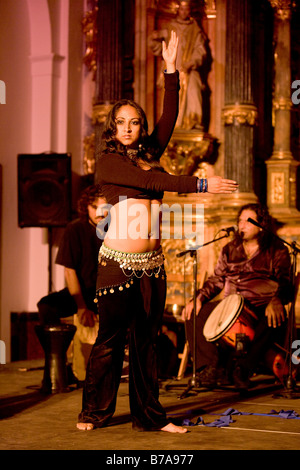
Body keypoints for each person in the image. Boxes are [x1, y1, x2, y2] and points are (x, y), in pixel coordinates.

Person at [77, 31, 238, 433]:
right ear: (113, 128)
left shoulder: (150, 154)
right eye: (122, 123)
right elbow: (151, 185)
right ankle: (94, 412)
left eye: (135, 123)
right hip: (117, 264)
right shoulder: (109, 161)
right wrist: (202, 184)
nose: (129, 128)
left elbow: (170, 118)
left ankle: (149, 417)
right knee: (110, 343)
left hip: (152, 264)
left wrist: (171, 70)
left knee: (146, 343)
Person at [182, 203, 293, 390]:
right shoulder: (229, 249)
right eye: (240, 221)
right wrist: (199, 298)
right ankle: (211, 367)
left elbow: (286, 283)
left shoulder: (276, 250)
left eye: (248, 222)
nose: (242, 226)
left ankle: (243, 368)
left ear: (261, 224)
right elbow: (217, 280)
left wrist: (277, 299)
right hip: (229, 305)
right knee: (193, 312)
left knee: (272, 319)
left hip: (260, 304)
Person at [37, 185, 107, 329]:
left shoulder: (118, 230)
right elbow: (69, 271)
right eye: (94, 207)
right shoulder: (75, 229)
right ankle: (57, 352)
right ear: (86, 207)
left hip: (109, 294)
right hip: (82, 292)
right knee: (46, 305)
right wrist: (81, 306)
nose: (100, 213)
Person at [149, 0, 206, 129]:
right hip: (172, 69)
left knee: (194, 92)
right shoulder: (170, 27)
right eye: (181, 9)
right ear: (177, 10)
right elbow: (158, 46)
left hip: (189, 69)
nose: (184, 12)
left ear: (190, 11)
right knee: (170, 95)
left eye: (187, 9)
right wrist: (153, 39)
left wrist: (191, 63)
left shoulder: (195, 29)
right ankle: (171, 125)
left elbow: (200, 50)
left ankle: (192, 122)